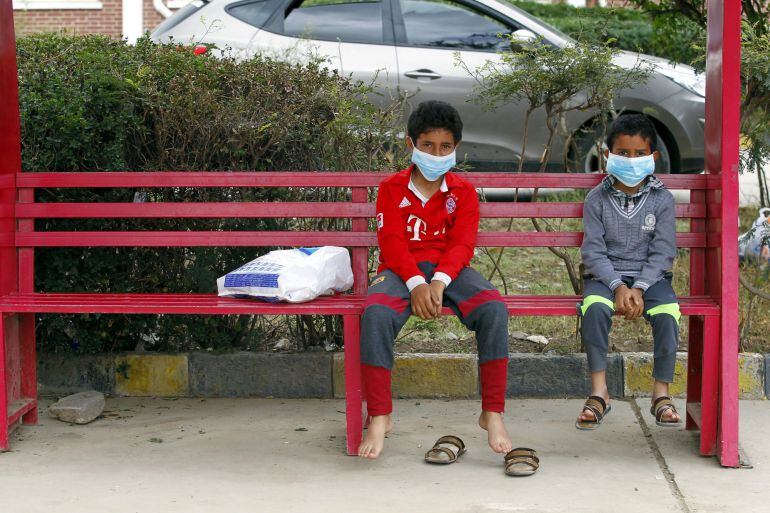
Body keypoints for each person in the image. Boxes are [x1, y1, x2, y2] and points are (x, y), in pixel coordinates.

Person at [358, 100, 512, 459]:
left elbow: (462, 244)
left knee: (493, 309)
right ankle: (380, 415)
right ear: (410, 146)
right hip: (400, 272)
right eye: (428, 145)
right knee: (376, 314)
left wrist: (439, 282)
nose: (436, 153)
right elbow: (392, 244)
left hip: (450, 272)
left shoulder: (462, 192)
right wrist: (416, 283)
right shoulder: (391, 188)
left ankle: (492, 412)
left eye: (445, 147)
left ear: (456, 148)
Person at [576, 113, 682, 430]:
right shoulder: (596, 199)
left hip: (651, 281)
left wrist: (639, 286)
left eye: (639, 154)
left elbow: (663, 250)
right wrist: (618, 285)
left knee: (668, 313)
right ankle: (599, 392)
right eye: (623, 153)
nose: (631, 160)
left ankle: (660, 393)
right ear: (608, 155)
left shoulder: (662, 200)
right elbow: (593, 250)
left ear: (654, 157)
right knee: (593, 309)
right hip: (605, 279)